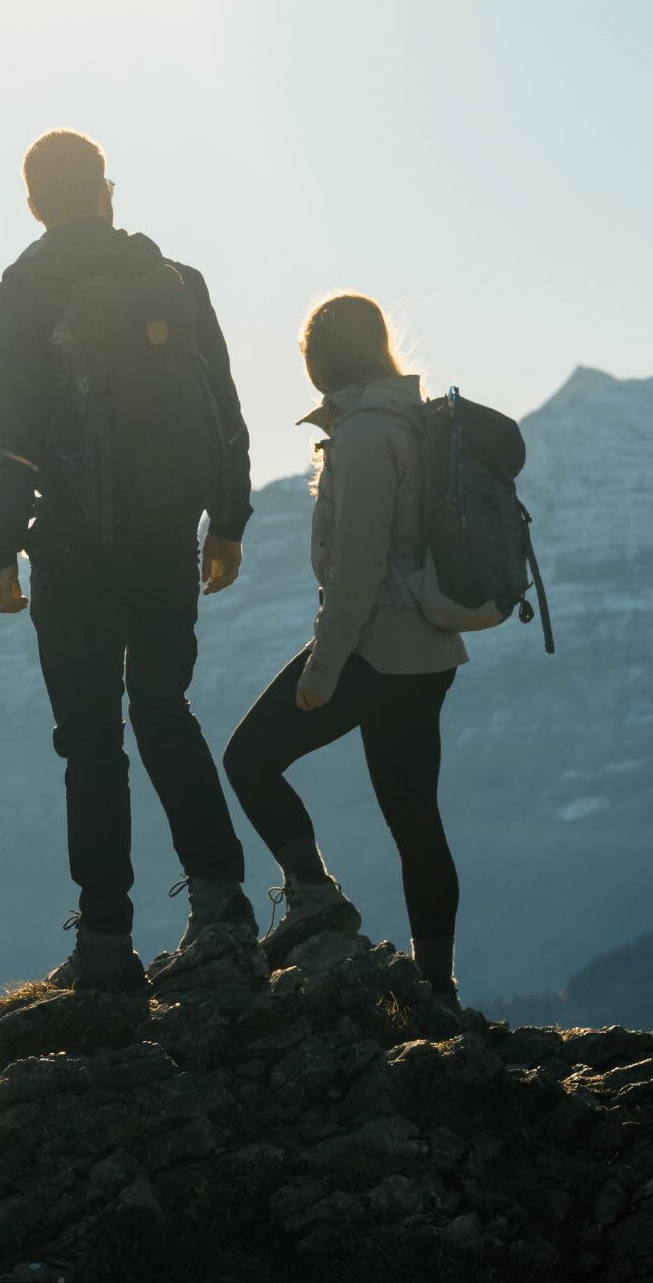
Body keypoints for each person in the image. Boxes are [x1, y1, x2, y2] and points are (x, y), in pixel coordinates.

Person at [0, 128, 257, 993]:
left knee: (92, 741)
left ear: (32, 203)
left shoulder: (23, 289)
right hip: (168, 531)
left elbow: (12, 433)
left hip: (71, 541)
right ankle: (222, 905)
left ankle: (105, 943)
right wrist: (227, 523)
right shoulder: (176, 281)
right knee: (165, 707)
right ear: (106, 190)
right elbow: (225, 412)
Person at [220, 292, 470, 1003]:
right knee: (415, 820)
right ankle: (435, 984)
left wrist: (323, 668)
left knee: (249, 759)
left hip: (373, 648)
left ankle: (312, 894)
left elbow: (358, 566)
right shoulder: (416, 421)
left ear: (322, 359)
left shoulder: (364, 435)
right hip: (429, 650)